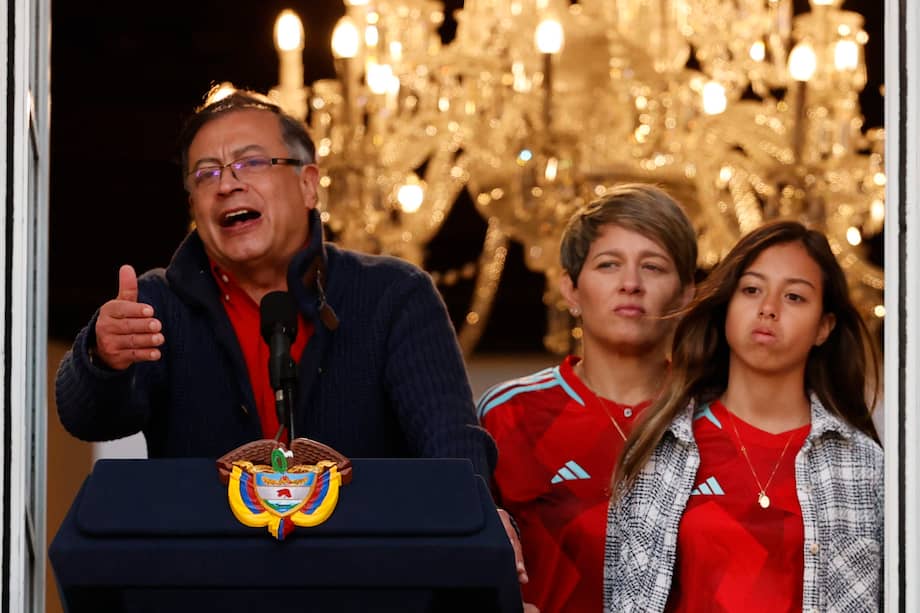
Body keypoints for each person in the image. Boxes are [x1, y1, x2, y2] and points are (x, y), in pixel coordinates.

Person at [55, 87, 497, 481]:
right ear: (194, 206)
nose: (227, 183)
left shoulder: (394, 294)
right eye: (206, 174)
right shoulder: (159, 303)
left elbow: (449, 440)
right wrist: (100, 358)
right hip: (203, 569)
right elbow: (88, 419)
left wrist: (479, 516)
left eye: (251, 162)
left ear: (308, 186)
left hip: (365, 567)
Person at [604, 220, 883, 612]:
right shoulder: (657, 449)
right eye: (751, 290)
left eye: (794, 297)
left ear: (824, 327)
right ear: (726, 308)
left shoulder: (865, 465)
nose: (768, 309)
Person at [477, 184, 697, 613]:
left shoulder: (714, 414)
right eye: (609, 264)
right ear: (571, 291)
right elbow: (459, 560)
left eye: (653, 267)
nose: (630, 284)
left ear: (686, 294)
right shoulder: (506, 414)